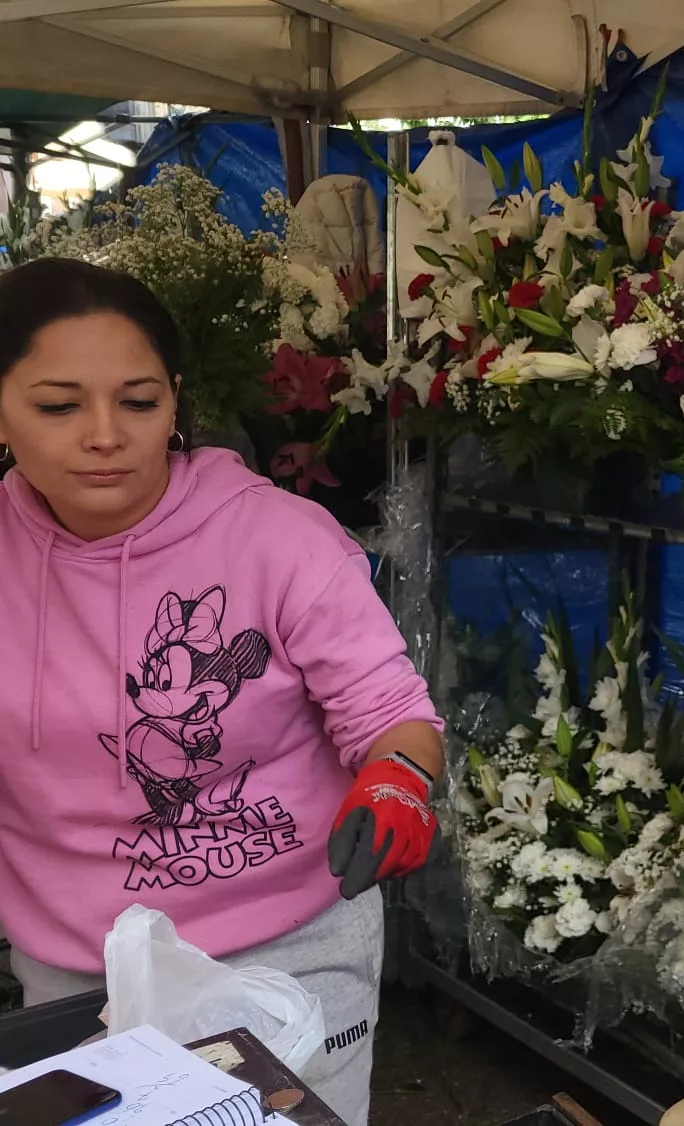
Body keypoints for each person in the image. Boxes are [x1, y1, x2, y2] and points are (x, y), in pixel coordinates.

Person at [0, 258, 442, 1126]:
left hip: (289, 952)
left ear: (174, 401)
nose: (104, 434)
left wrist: (398, 783)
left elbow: (392, 715)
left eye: (138, 401)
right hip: (76, 962)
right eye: (59, 405)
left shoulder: (278, 539)